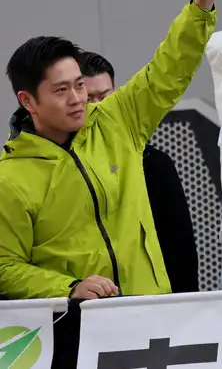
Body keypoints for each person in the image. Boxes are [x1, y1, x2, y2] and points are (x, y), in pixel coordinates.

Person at [0, 0, 222, 300]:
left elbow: (168, 70)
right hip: (76, 334)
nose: (77, 100)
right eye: (61, 91)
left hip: (152, 315)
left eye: (78, 86)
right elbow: (5, 269)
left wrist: (201, 8)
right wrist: (68, 288)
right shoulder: (9, 180)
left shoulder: (117, 119)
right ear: (28, 101)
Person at [81, 51, 200, 293]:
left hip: (155, 306)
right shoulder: (62, 167)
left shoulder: (154, 164)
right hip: (89, 308)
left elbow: (180, 247)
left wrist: (186, 305)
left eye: (104, 96)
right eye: (88, 99)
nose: (97, 107)